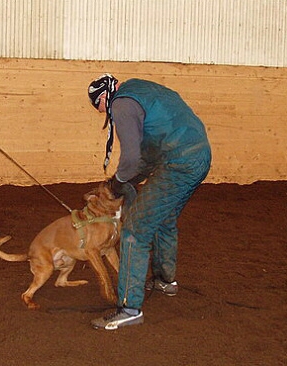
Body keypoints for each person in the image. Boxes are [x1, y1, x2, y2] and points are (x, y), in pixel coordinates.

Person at [87, 74, 211, 330]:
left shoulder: (120, 105)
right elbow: (149, 153)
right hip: (198, 154)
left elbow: (132, 159)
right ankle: (165, 280)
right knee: (163, 216)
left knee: (135, 229)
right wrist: (122, 181)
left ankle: (128, 308)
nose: (103, 113)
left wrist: (119, 182)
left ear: (102, 98)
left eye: (99, 108)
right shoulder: (139, 89)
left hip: (179, 162)